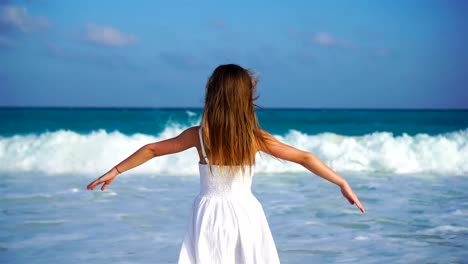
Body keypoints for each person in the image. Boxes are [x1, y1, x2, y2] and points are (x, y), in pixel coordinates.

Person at [87, 64, 365, 264]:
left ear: (213, 95)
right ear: (245, 99)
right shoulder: (254, 138)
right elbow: (305, 157)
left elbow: (151, 150)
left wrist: (116, 170)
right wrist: (341, 182)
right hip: (245, 213)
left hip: (209, 214)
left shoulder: (199, 135)